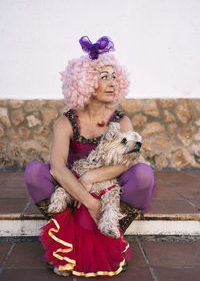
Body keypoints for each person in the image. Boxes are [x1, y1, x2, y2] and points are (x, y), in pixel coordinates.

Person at [24, 36, 155, 277]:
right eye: (103, 77)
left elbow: (126, 162)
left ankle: (113, 226)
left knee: (143, 174)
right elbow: (57, 168)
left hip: (107, 191)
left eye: (114, 77)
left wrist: (91, 177)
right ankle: (64, 226)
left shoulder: (121, 121)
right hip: (72, 191)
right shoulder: (66, 122)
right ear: (83, 83)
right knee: (34, 171)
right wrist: (88, 199)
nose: (112, 83)